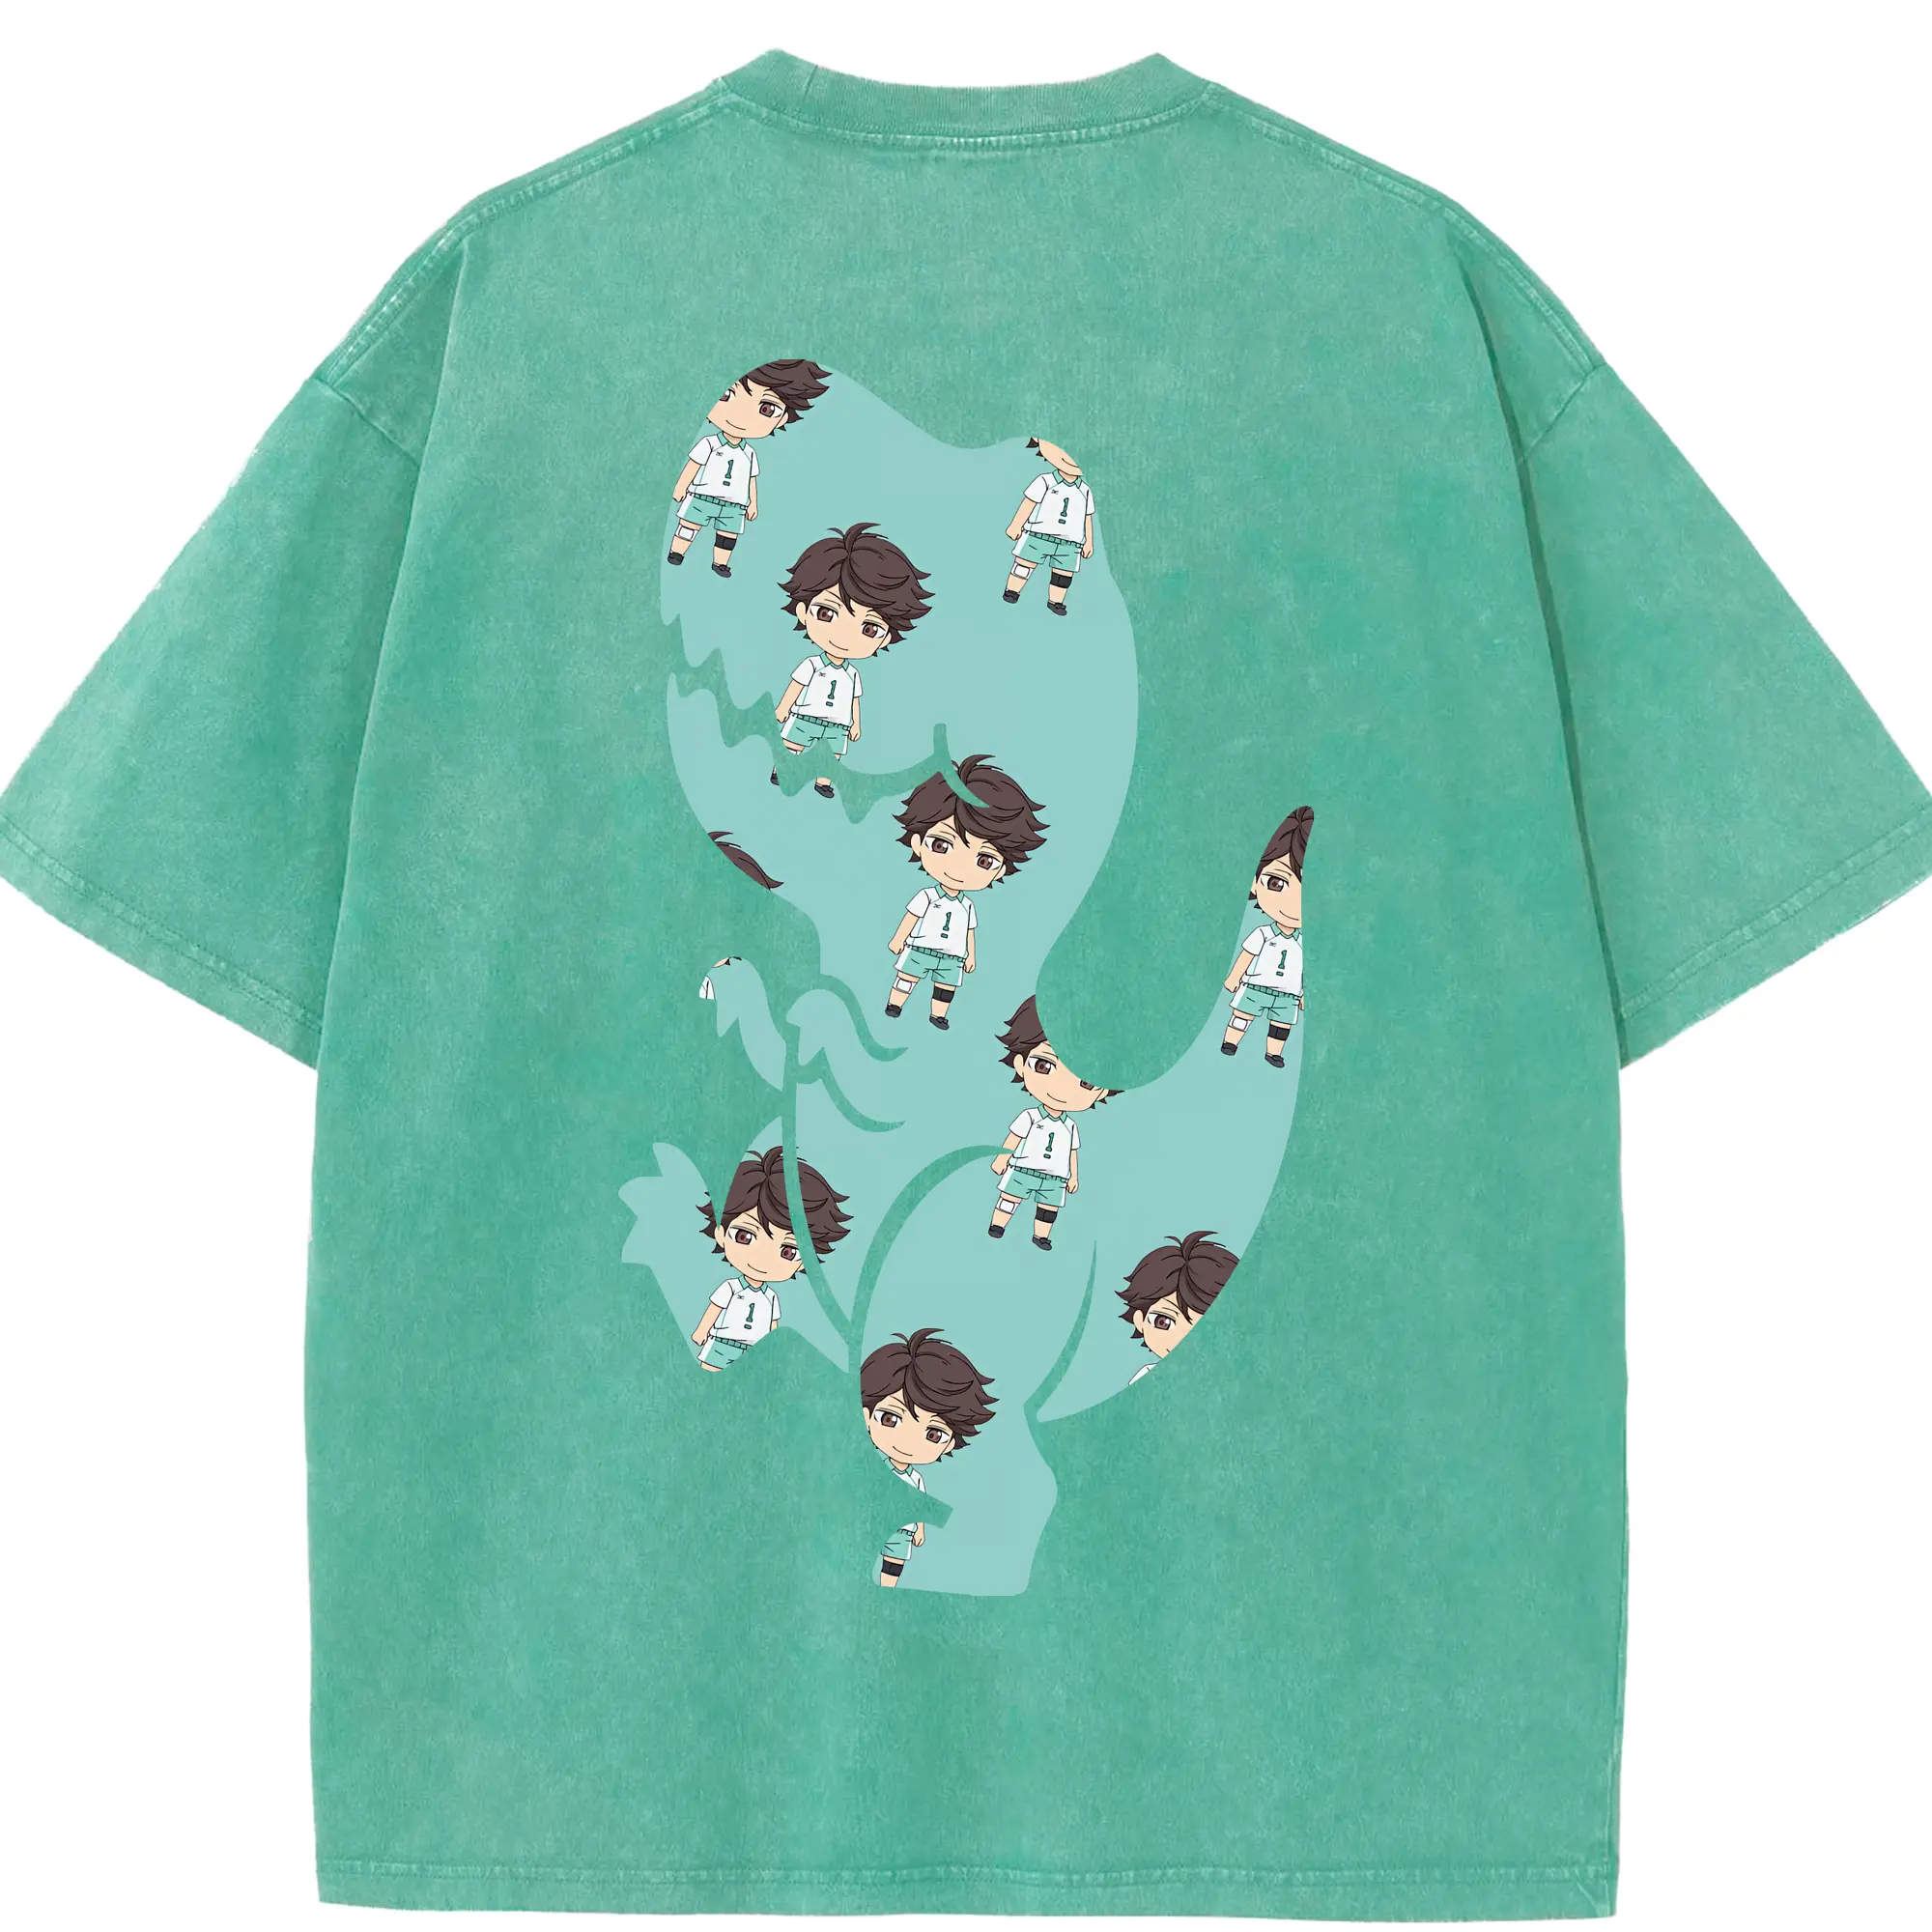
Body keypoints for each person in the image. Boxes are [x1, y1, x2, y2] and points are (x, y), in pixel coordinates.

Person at [885, 755, 1048, 1028]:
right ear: (918, 843)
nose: (959, 868)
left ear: (1000, 869)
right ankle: (894, 1004)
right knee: (907, 977)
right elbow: (911, 917)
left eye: (984, 860)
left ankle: (938, 1015)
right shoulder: (927, 896)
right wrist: (898, 939)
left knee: (945, 987)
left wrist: (971, 955)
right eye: (941, 845)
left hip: (953, 955)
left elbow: (969, 931)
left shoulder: (967, 906)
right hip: (920, 947)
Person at [773, 524, 933, 797]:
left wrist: (856, 723)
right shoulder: (812, 665)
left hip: (838, 723)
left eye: (869, 628)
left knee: (831, 755)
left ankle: (823, 783)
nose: (844, 636)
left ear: (885, 638)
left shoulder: (852, 674)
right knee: (792, 743)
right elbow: (796, 686)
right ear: (803, 612)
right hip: (805, 714)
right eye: (826, 613)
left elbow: (854, 700)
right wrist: (783, 707)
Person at [689, 1146, 849, 1370]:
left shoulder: (771, 1297)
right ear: (721, 1233)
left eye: (788, 1251)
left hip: (755, 1351)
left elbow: (773, 1326)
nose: (763, 1258)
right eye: (745, 1236)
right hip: (722, 1344)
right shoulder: (730, 1288)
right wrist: (701, 1332)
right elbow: (715, 1309)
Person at [668, 359, 831, 575]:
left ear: (782, 419)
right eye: (726, 395)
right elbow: (693, 465)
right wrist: (681, 487)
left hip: (735, 504)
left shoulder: (749, 453)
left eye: (766, 408)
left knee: (728, 536)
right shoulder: (709, 443)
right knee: (688, 526)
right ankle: (677, 552)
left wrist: (753, 503)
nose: (741, 414)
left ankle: (720, 563)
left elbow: (750, 479)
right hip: (702, 496)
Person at [860, 1328, 996, 1585]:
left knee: (894, 1563)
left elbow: (918, 1506)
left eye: (933, 1434)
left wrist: (919, 1528)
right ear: (866, 1417)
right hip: (871, 1523)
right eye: (890, 1418)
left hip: (902, 1531)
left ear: (949, 1444)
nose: (908, 1441)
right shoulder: (872, 1466)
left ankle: (887, 1590)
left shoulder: (916, 1480)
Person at [987, 996, 1118, 1251]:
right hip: (1023, 1169)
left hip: (1055, 1177)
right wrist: (1002, 1158)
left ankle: (1041, 1236)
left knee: (1048, 1208)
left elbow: (1072, 1152)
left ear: (1102, 1090)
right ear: (1021, 1064)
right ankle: (998, 1225)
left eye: (1086, 1081)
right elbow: (1014, 1138)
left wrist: (1073, 1176)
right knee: (1009, 1198)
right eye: (1044, 1065)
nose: (1063, 1088)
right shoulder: (1030, 1116)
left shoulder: (1071, 1127)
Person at [1222, 807, 1314, 1067]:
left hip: (1289, 994)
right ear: (1255, 882)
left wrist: (1305, 994)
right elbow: (1247, 955)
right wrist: (1233, 977)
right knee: (1242, 1015)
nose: (1293, 902)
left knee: (1281, 1026)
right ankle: (1230, 1042)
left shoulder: (1306, 943)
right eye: (1277, 883)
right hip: (1255, 986)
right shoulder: (1263, 933)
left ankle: (1273, 1052)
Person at [1002, 439, 1094, 613]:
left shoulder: (1085, 490)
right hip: (1038, 535)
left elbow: (1087, 516)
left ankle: (1056, 601)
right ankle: (1012, 591)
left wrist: (1089, 542)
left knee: (1063, 574)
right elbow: (1029, 503)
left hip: (1070, 542)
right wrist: (1016, 525)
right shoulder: (1045, 481)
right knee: (1024, 564)